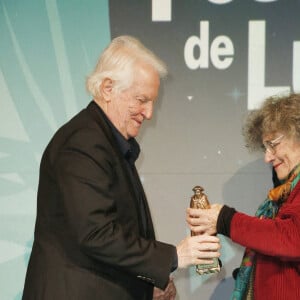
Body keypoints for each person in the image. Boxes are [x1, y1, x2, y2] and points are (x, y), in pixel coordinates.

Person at [22, 35, 221, 300]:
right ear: (107, 88)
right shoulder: (83, 144)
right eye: (142, 100)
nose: (149, 113)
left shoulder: (105, 142)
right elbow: (96, 233)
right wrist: (174, 256)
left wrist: (146, 282)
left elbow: (113, 234)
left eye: (152, 102)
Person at [186, 93, 300, 300]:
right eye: (265, 148)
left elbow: (291, 237)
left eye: (273, 145)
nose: (267, 157)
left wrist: (226, 219)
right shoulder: (284, 194)